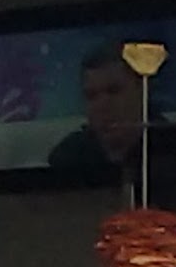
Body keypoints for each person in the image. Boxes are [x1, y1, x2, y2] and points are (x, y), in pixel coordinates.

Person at [47, 44, 148, 184]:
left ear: (141, 90)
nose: (102, 106)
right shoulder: (68, 157)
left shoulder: (172, 147)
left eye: (113, 91)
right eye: (91, 96)